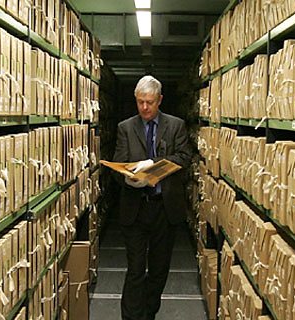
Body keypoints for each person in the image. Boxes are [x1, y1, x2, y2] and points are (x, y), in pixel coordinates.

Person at [112, 75, 192, 320]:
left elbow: (184, 157)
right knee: (135, 269)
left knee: (158, 269)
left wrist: (153, 164)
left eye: (149, 102)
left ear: (160, 100)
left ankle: (148, 314)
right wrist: (127, 178)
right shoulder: (125, 127)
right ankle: (131, 317)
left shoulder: (175, 125)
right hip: (136, 208)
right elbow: (118, 162)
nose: (144, 108)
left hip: (163, 209)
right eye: (140, 102)